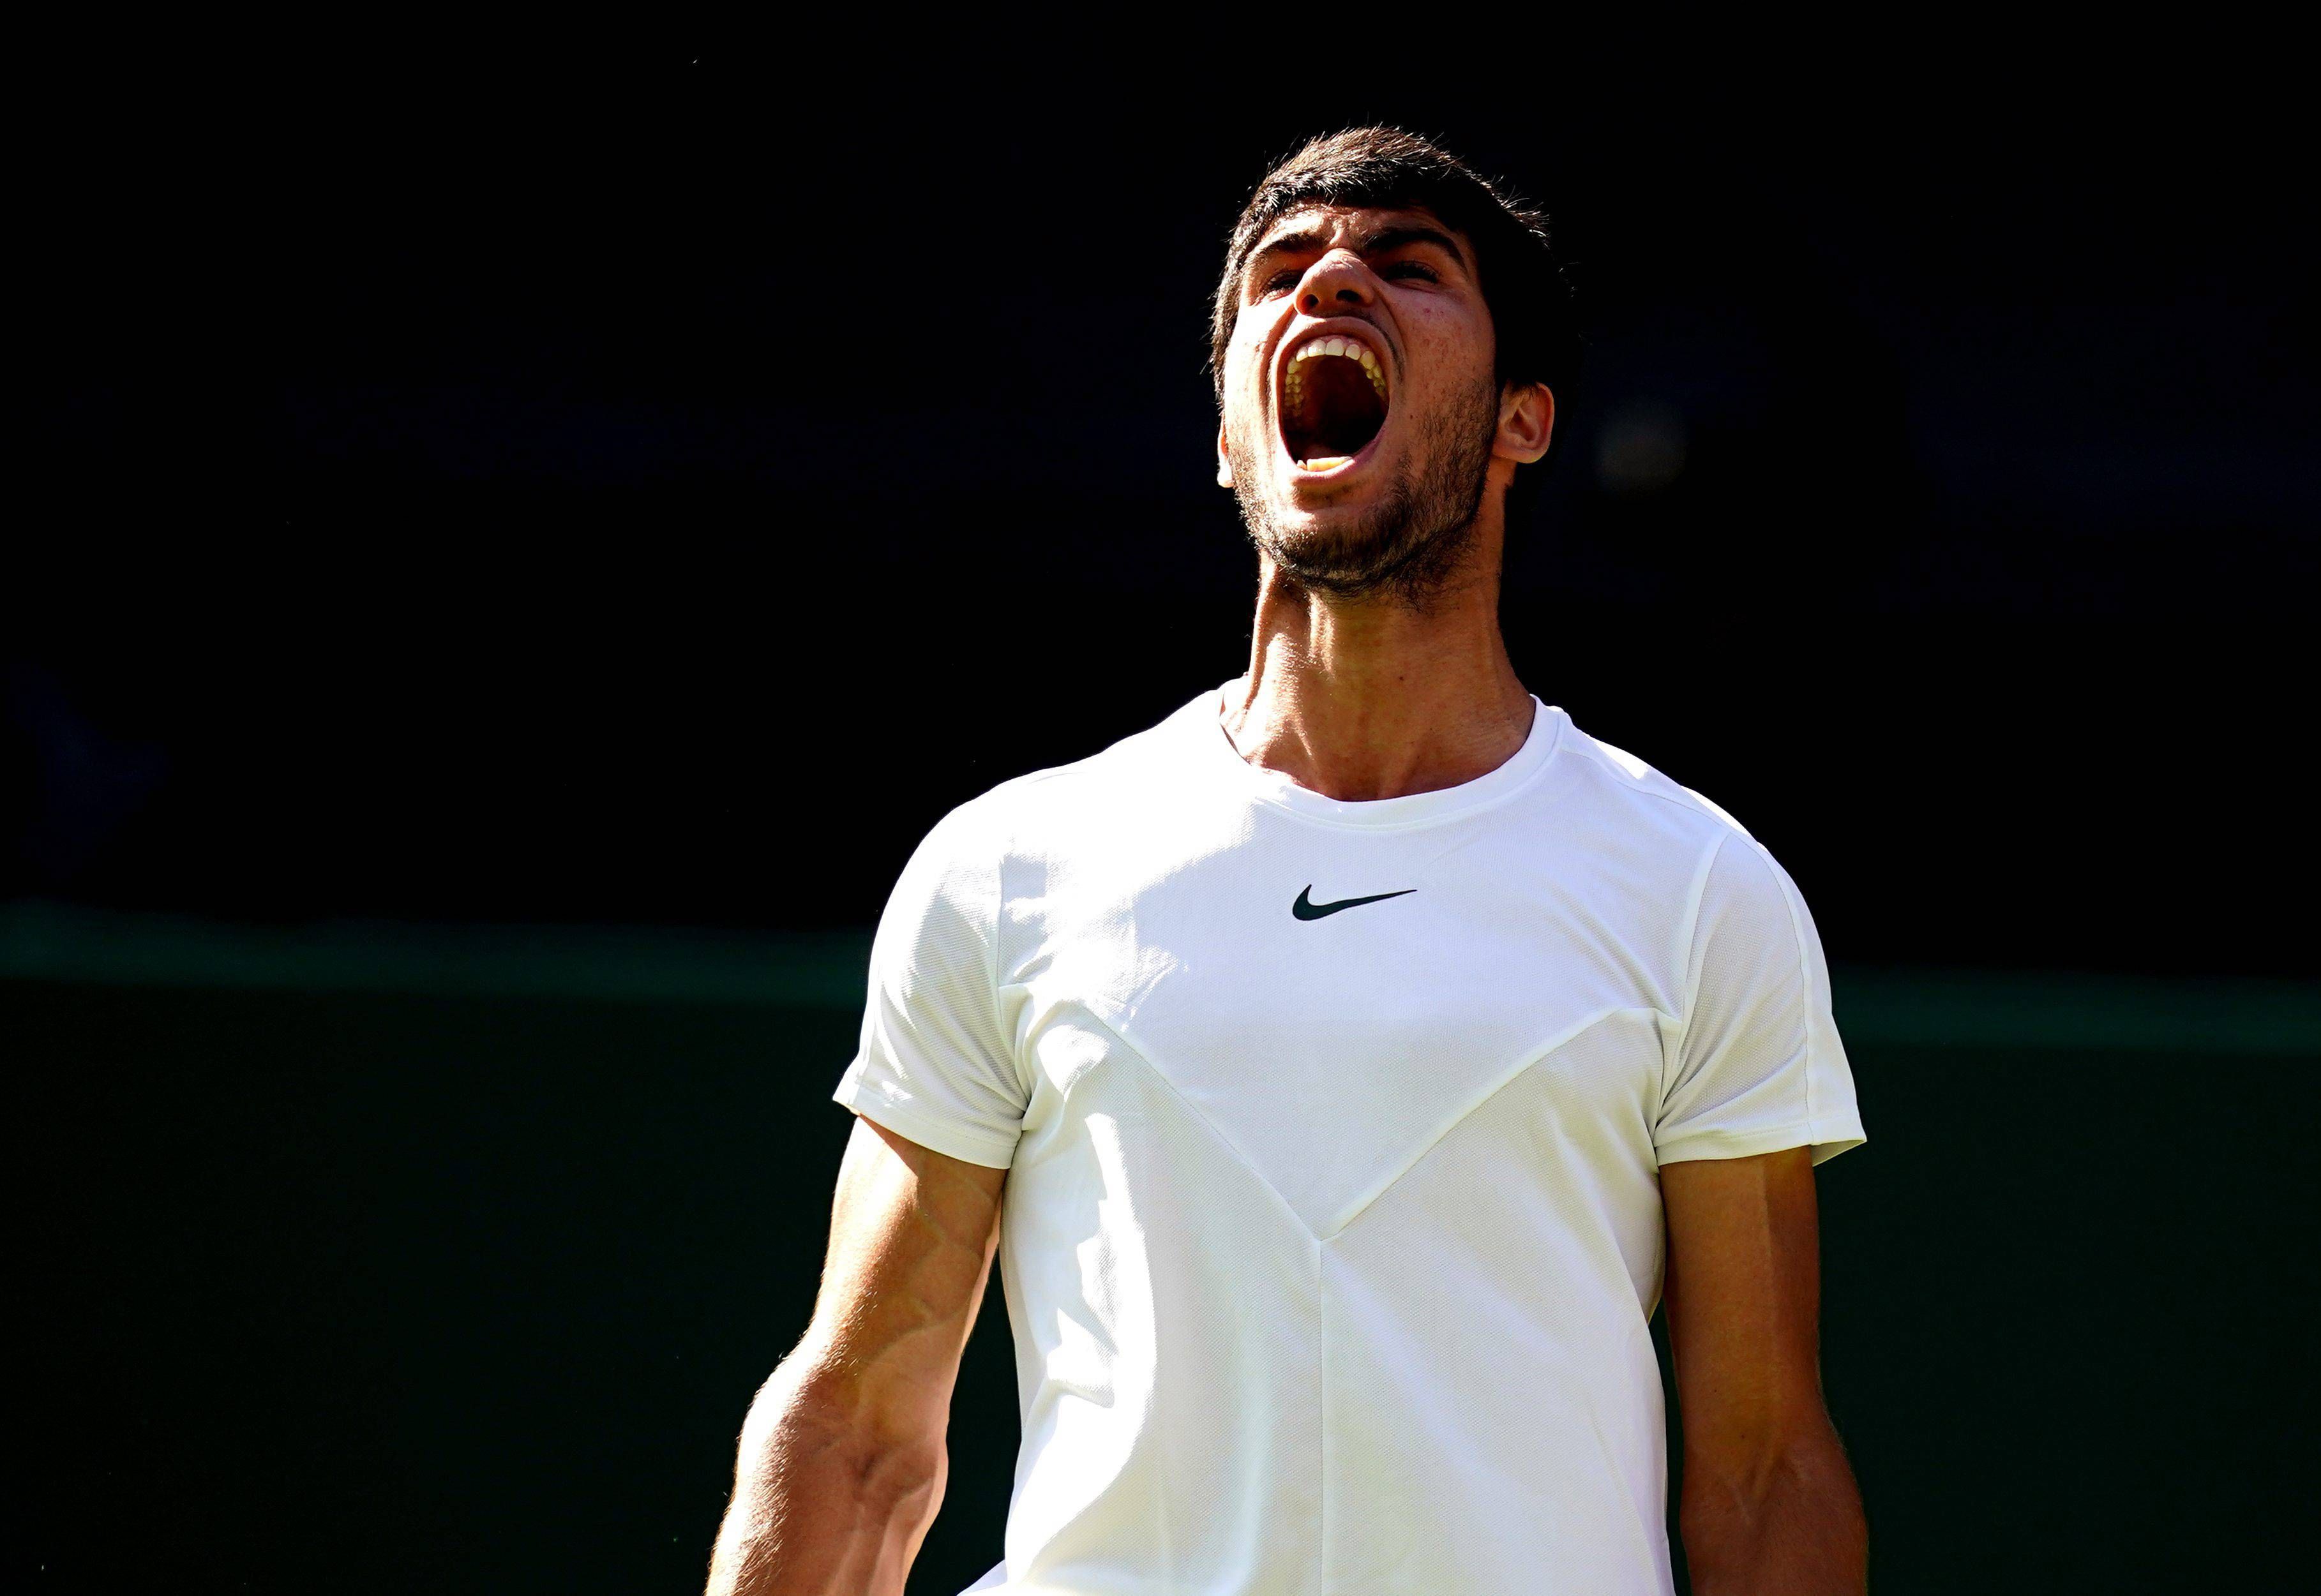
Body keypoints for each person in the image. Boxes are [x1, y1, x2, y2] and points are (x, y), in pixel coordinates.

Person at [705, 127, 1869, 1596]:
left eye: (1405, 264)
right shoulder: (1005, 871)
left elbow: (1765, 1477)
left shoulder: (1702, 893)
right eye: (1280, 270)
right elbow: (860, 1430)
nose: (1331, 281)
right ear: (1226, 432)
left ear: (1524, 419)